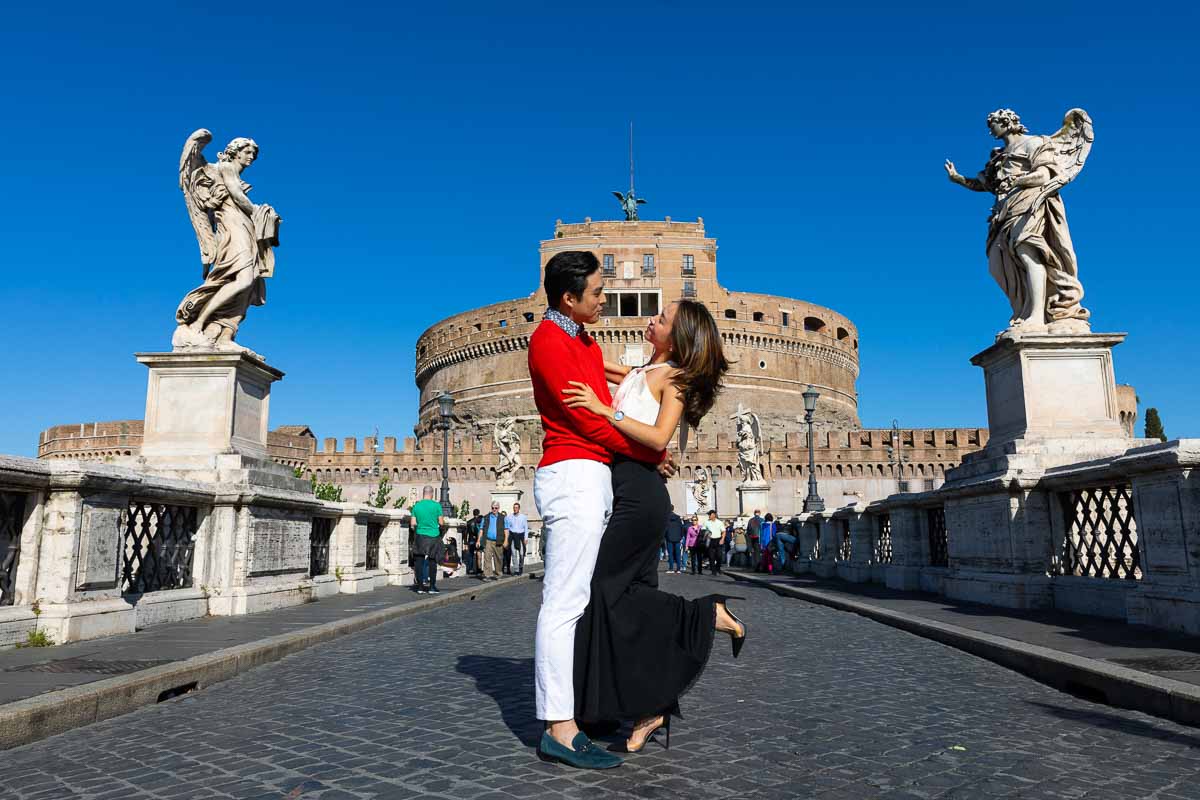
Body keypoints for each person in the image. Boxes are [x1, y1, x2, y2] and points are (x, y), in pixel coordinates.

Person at [563, 297, 747, 754]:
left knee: (604, 589)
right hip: (627, 487)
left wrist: (608, 413)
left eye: (660, 319)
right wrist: (568, 336)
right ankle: (646, 706)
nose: (650, 320)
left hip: (640, 499)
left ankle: (703, 614)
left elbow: (660, 435)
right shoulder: (645, 371)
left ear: (678, 336)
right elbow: (605, 370)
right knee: (632, 597)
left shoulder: (676, 379)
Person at [529, 251, 663, 769]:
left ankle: (583, 706)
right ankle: (559, 729)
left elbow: (611, 380)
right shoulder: (549, 342)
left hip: (594, 475)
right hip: (573, 472)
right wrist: (651, 450)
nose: (606, 297)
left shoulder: (580, 337)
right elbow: (587, 422)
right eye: (598, 290)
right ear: (569, 298)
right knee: (563, 603)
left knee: (584, 598)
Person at [410, 485, 445, 595]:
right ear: (432, 494)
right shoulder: (436, 506)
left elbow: (413, 523)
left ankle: (420, 587)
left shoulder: (417, 506)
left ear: (423, 493)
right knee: (432, 561)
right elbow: (441, 522)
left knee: (419, 561)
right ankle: (432, 586)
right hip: (433, 536)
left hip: (420, 536)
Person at [478, 502, 507, 581]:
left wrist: (506, 541)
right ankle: (488, 575)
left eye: (496, 508)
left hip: (498, 540)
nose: (494, 509)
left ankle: (498, 574)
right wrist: (478, 540)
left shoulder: (503, 517)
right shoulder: (486, 517)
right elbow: (481, 529)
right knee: (487, 558)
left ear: (498, 508)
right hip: (488, 540)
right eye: (493, 508)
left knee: (498, 558)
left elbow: (506, 530)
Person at [507, 502, 529, 576]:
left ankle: (521, 567)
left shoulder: (523, 517)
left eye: (516, 507)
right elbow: (507, 527)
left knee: (522, 553)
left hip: (521, 536)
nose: (515, 509)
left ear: (519, 508)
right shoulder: (509, 517)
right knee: (513, 553)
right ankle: (516, 569)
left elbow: (526, 528)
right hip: (513, 536)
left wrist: (526, 538)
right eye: (514, 507)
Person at [703, 510, 726, 576]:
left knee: (719, 556)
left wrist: (722, 539)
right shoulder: (706, 522)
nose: (709, 516)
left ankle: (718, 568)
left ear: (713, 515)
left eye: (710, 514)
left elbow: (724, 531)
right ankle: (713, 572)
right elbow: (703, 530)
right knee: (711, 556)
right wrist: (706, 533)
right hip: (710, 540)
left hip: (718, 540)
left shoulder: (719, 522)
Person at [664, 507, 684, 574]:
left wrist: (665, 537)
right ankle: (678, 569)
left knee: (670, 554)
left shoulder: (666, 518)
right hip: (677, 539)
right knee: (678, 554)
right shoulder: (678, 517)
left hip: (669, 538)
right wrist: (680, 537)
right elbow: (682, 528)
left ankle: (671, 568)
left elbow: (665, 529)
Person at [464, 508, 482, 576]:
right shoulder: (480, 521)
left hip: (471, 540)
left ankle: (470, 569)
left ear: (473, 513)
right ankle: (478, 569)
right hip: (478, 540)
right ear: (478, 513)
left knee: (471, 555)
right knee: (478, 553)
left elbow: (466, 533)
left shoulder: (469, 522)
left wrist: (465, 542)